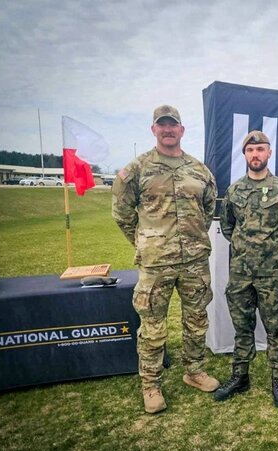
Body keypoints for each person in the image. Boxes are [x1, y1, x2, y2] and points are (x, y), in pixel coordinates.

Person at [112, 105, 219, 414]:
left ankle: (194, 371)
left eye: (173, 125)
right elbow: (122, 213)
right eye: (162, 125)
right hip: (155, 263)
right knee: (153, 327)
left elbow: (208, 210)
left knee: (196, 321)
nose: (168, 129)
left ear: (182, 130)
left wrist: (191, 239)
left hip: (194, 261)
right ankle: (151, 385)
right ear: (154, 129)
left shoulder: (199, 170)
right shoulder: (137, 169)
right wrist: (146, 241)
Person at [215, 130, 278, 408]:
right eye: (250, 150)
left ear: (269, 153)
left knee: (275, 329)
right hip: (240, 275)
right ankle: (240, 376)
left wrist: (273, 250)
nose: (255, 154)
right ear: (245, 154)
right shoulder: (234, 190)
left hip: (271, 276)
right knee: (242, 328)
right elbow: (227, 227)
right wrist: (246, 249)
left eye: (260, 149)